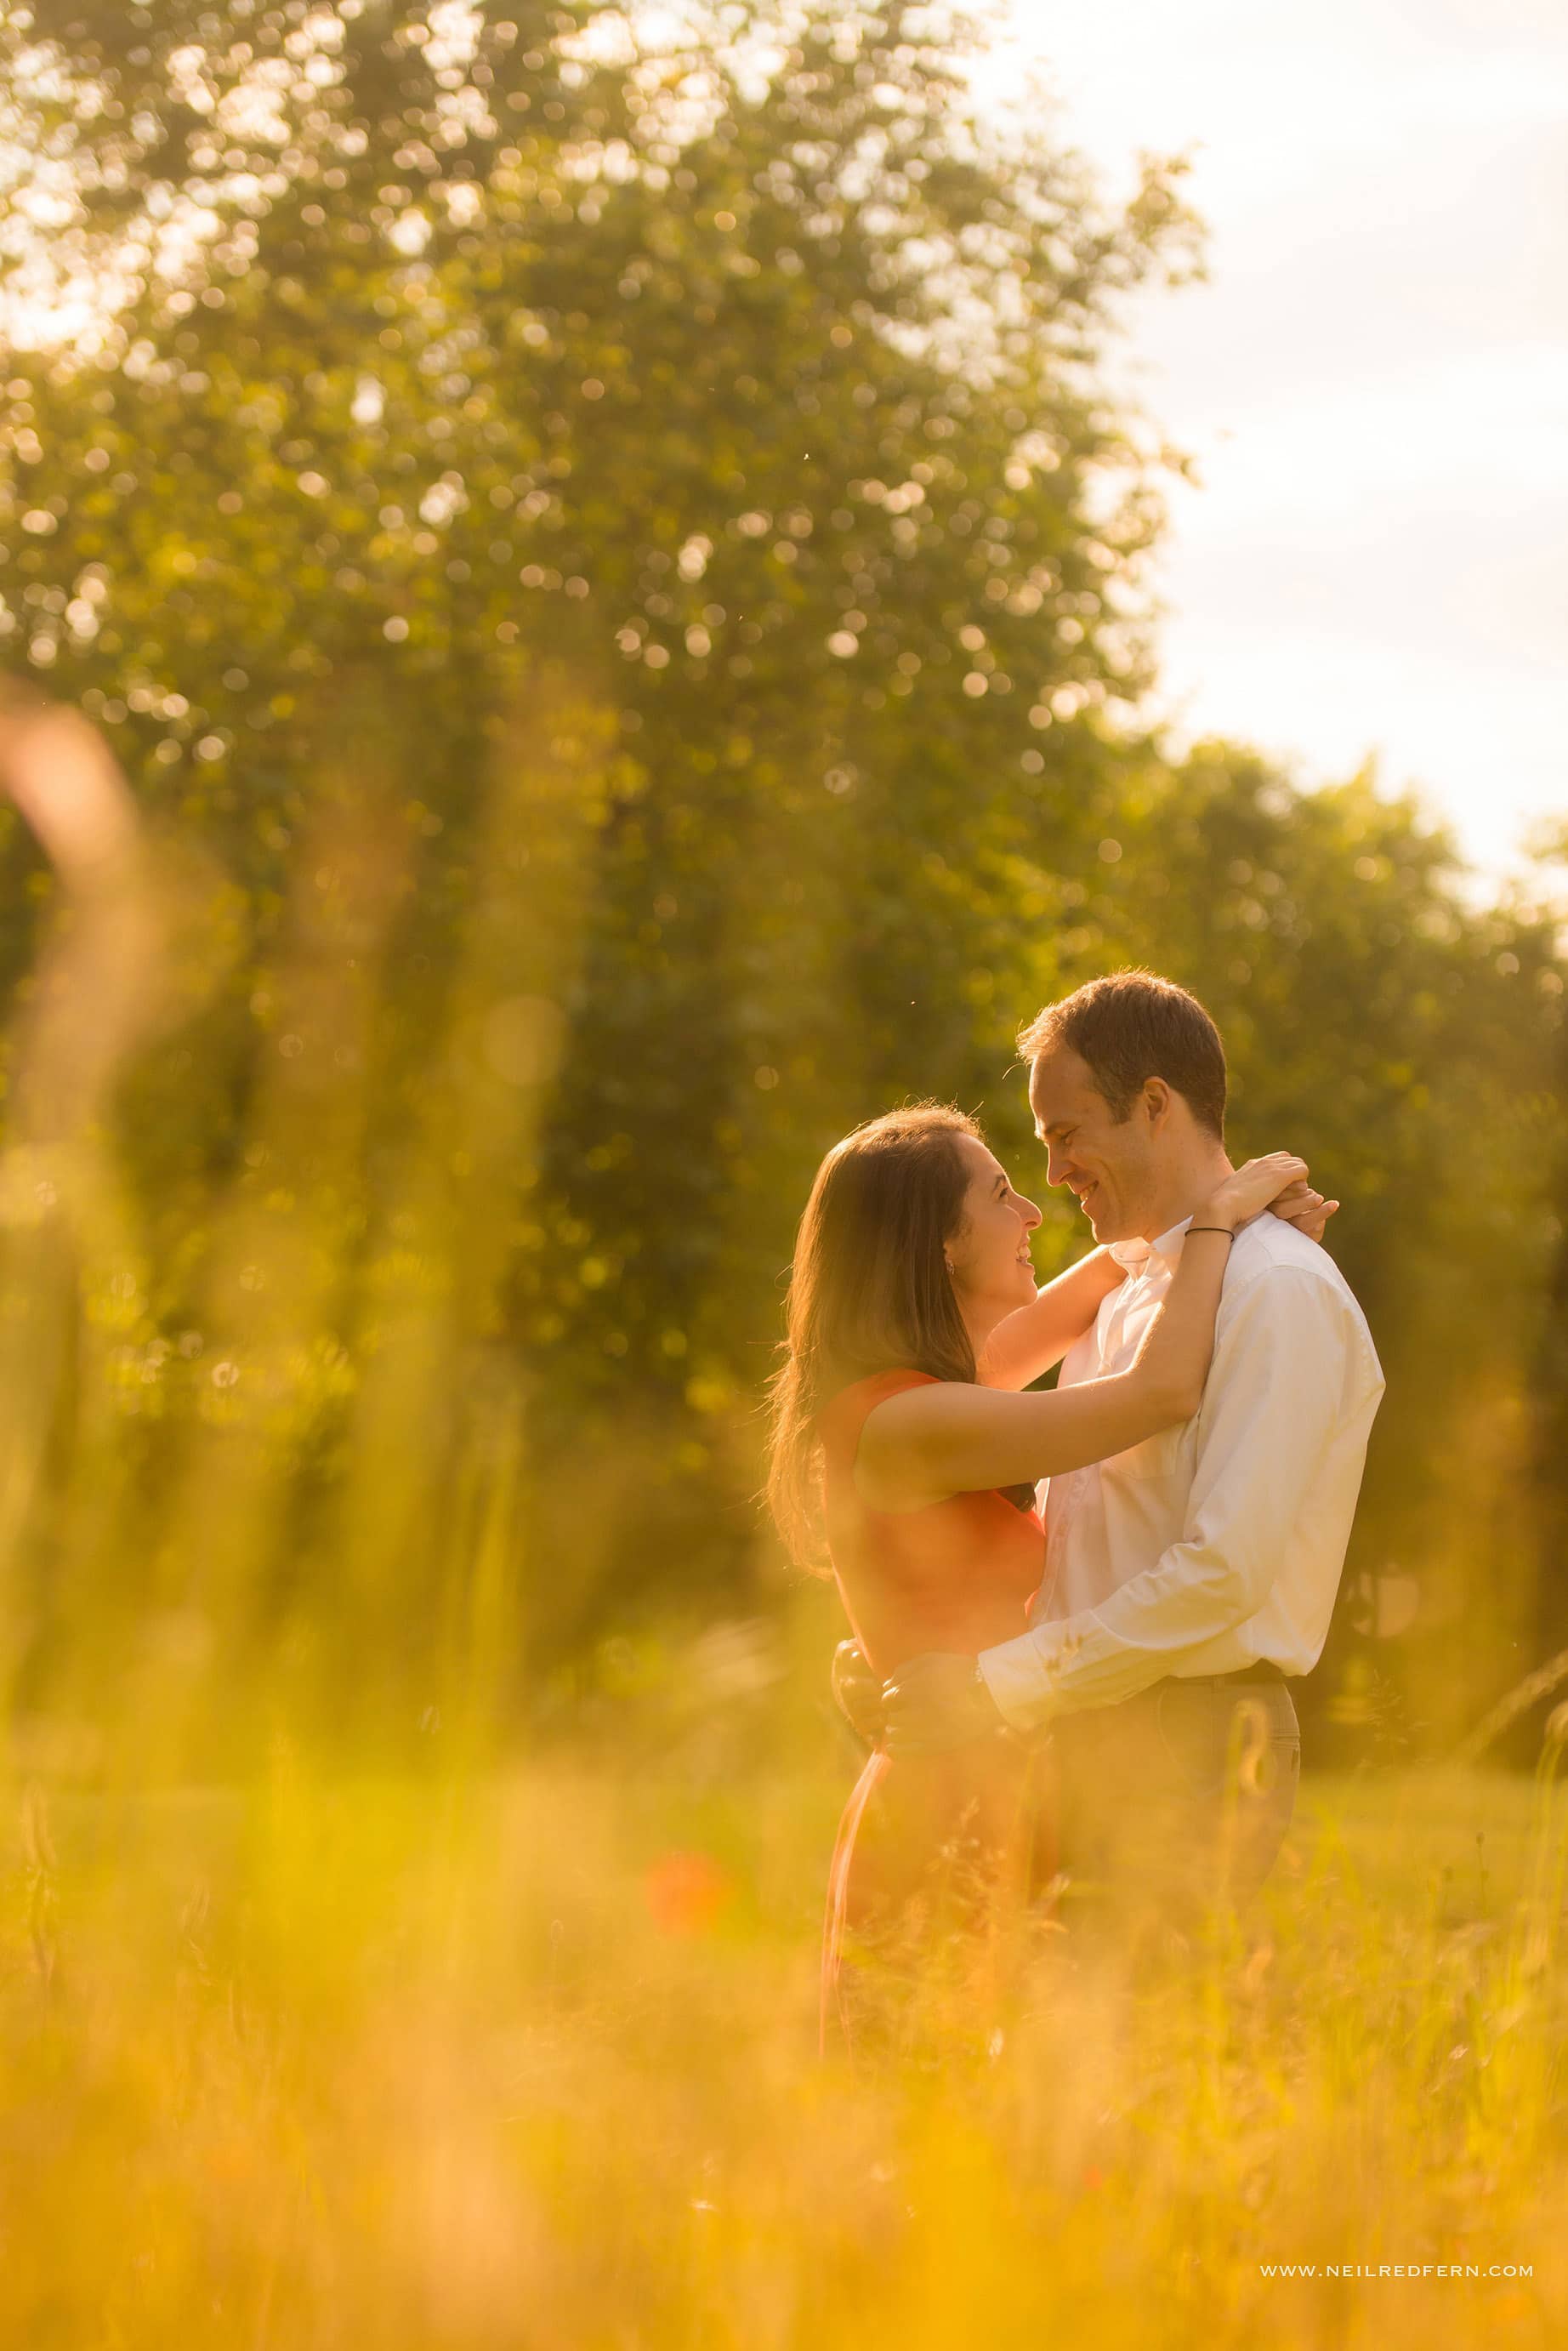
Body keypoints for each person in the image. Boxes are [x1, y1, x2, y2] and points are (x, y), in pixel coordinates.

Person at [765, 1099, 1327, 2051]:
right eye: (1000, 1194)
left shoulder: (927, 1391)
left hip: (1002, 1769)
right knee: (935, 2107)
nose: (1033, 1212)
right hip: (947, 1797)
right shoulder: (909, 1418)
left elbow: (1116, 1265)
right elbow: (1159, 1393)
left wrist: (1210, 1221)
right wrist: (1224, 1220)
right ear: (938, 1243)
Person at [877, 971, 1386, 1930]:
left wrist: (996, 1685)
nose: (1055, 1171)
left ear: (1153, 1104)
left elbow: (1221, 1573)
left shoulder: (1275, 1290)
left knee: (1135, 2051)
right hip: (1076, 1733)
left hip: (1186, 1742)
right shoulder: (1134, 1294)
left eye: (1067, 1134)